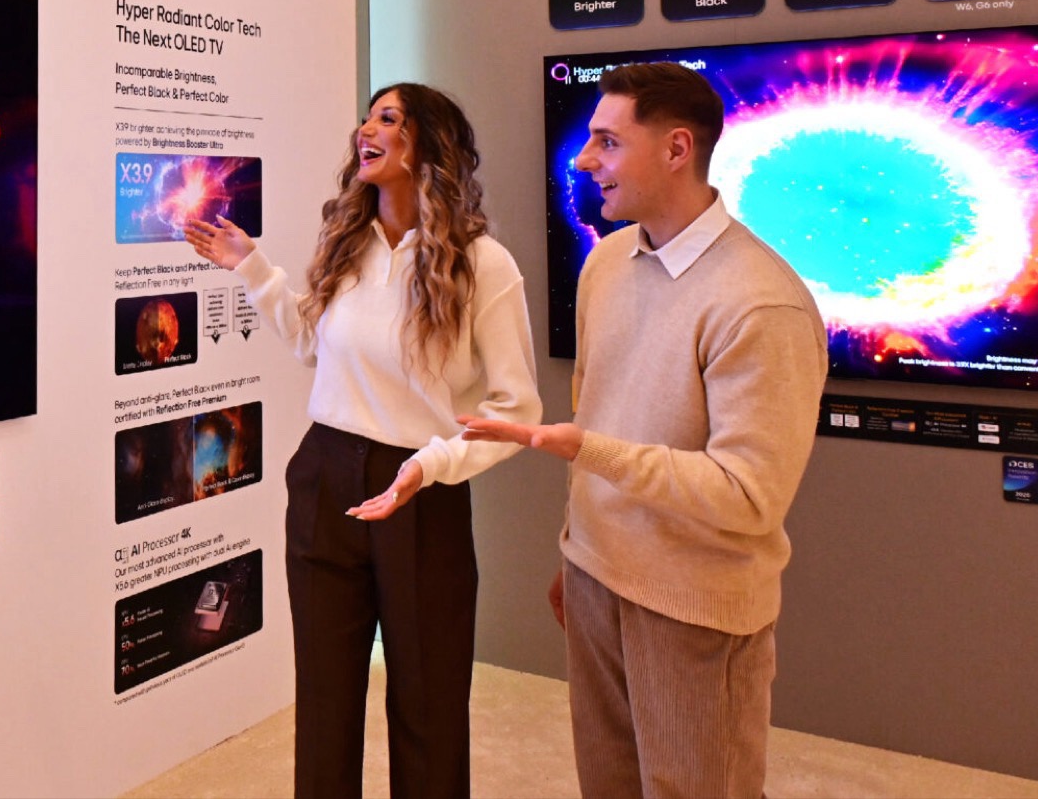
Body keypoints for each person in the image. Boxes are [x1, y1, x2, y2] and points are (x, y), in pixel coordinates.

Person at [460, 62, 828, 799]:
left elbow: (749, 495)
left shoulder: (761, 303)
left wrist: (588, 450)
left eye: (607, 141)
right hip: (595, 580)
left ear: (676, 148)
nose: (584, 160)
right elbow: (600, 408)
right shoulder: (606, 263)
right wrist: (578, 547)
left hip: (694, 609)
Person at [186, 83, 539, 799]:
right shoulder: (347, 245)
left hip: (422, 489)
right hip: (325, 477)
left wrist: (435, 463)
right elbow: (312, 344)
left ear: (428, 144)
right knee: (324, 698)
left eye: (388, 118)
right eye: (367, 117)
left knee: (429, 701)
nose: (365, 129)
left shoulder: (483, 264)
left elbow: (517, 409)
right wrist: (253, 267)